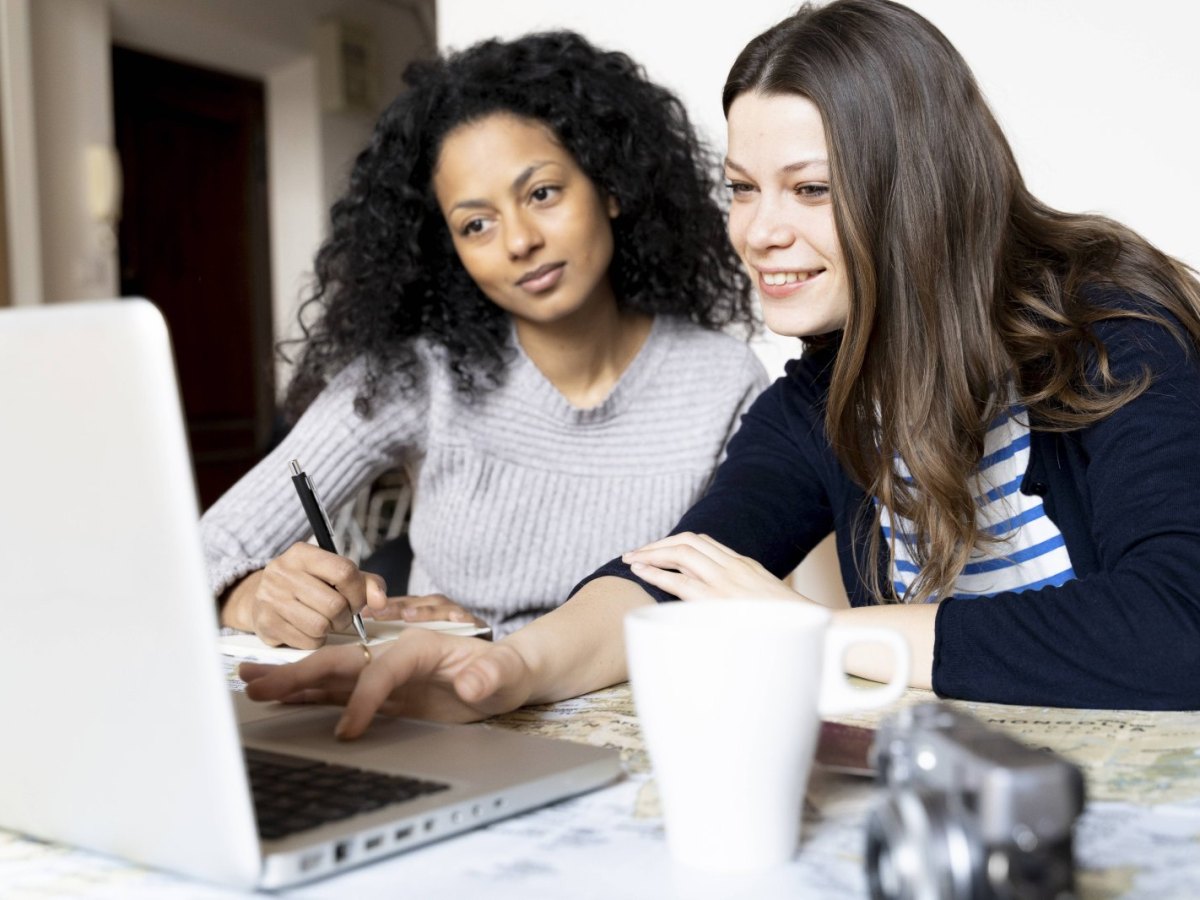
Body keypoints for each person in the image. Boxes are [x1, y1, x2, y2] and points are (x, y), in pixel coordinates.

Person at [240, 0, 1200, 729]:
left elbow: (1179, 628)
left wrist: (814, 636)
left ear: (924, 191)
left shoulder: (1111, 324)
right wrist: (505, 672)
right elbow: (676, 573)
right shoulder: (821, 395)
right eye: (742, 189)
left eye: (811, 189)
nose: (758, 232)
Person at [204, 31, 766, 649]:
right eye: (477, 224)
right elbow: (205, 553)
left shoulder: (721, 380)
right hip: (441, 719)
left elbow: (743, 616)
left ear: (610, 186)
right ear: (451, 253)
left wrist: (503, 647)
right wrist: (257, 599)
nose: (519, 240)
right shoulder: (421, 376)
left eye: (542, 194)